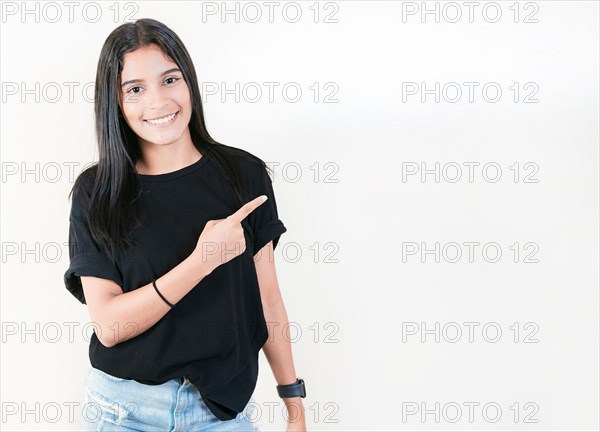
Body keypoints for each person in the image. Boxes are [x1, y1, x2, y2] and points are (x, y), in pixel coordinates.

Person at [64, 18, 307, 431]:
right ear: (115, 103)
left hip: (221, 414)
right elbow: (109, 326)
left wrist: (294, 403)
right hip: (125, 413)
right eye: (135, 89)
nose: (158, 102)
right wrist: (203, 260)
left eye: (170, 79)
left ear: (189, 82)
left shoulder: (244, 176)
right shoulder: (97, 192)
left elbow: (268, 301)